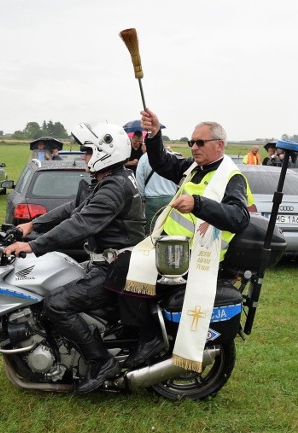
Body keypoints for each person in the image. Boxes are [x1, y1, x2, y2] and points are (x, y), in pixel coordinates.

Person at [5, 122, 146, 393]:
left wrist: (33, 247)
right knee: (52, 282)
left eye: (88, 151)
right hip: (109, 261)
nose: (84, 157)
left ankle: (101, 362)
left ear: (106, 152)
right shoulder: (111, 179)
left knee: (56, 304)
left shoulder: (114, 187)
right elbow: (73, 208)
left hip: (116, 267)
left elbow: (80, 224)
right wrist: (33, 225)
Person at [114, 109, 252, 370]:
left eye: (200, 142)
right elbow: (162, 163)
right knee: (121, 261)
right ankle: (131, 330)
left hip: (195, 259)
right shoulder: (193, 168)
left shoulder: (231, 178)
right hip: (173, 250)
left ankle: (148, 336)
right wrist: (155, 134)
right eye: (191, 142)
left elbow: (238, 217)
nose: (194, 147)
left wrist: (198, 203)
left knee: (123, 268)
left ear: (219, 145)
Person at [136, 152, 178, 234]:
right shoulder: (172, 157)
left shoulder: (144, 158)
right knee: (167, 229)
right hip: (171, 199)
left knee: (151, 232)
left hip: (152, 200)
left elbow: (139, 178)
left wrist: (142, 197)